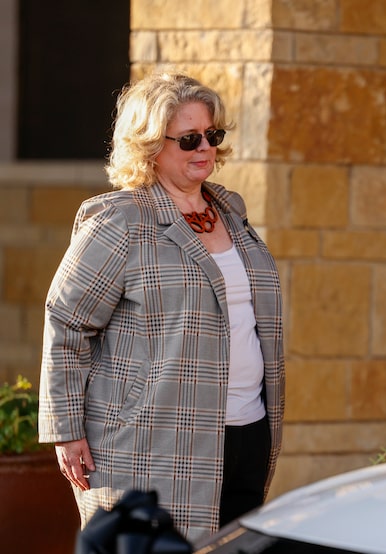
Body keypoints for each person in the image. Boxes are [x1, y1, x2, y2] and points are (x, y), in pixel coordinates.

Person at [38, 72, 285, 543]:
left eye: (213, 136)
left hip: (247, 432)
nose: (205, 148)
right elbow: (66, 323)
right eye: (189, 138)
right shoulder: (120, 221)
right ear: (150, 145)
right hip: (151, 442)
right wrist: (66, 431)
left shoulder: (231, 212)